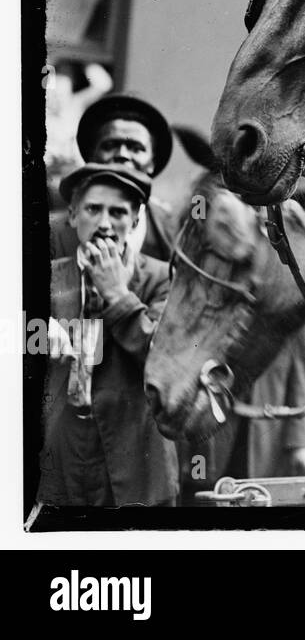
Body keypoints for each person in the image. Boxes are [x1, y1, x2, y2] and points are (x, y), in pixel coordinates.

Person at [39, 163, 178, 507]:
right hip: (62, 449)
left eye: (117, 213)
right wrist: (37, 333)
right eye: (92, 209)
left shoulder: (162, 278)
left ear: (134, 221)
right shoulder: (45, 278)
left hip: (137, 454)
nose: (104, 224)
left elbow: (165, 360)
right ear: (72, 215)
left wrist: (117, 294)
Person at [50, 93, 176, 261]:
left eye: (136, 148)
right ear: (92, 156)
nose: (122, 155)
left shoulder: (172, 231)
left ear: (153, 162)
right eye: (109, 146)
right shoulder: (51, 233)